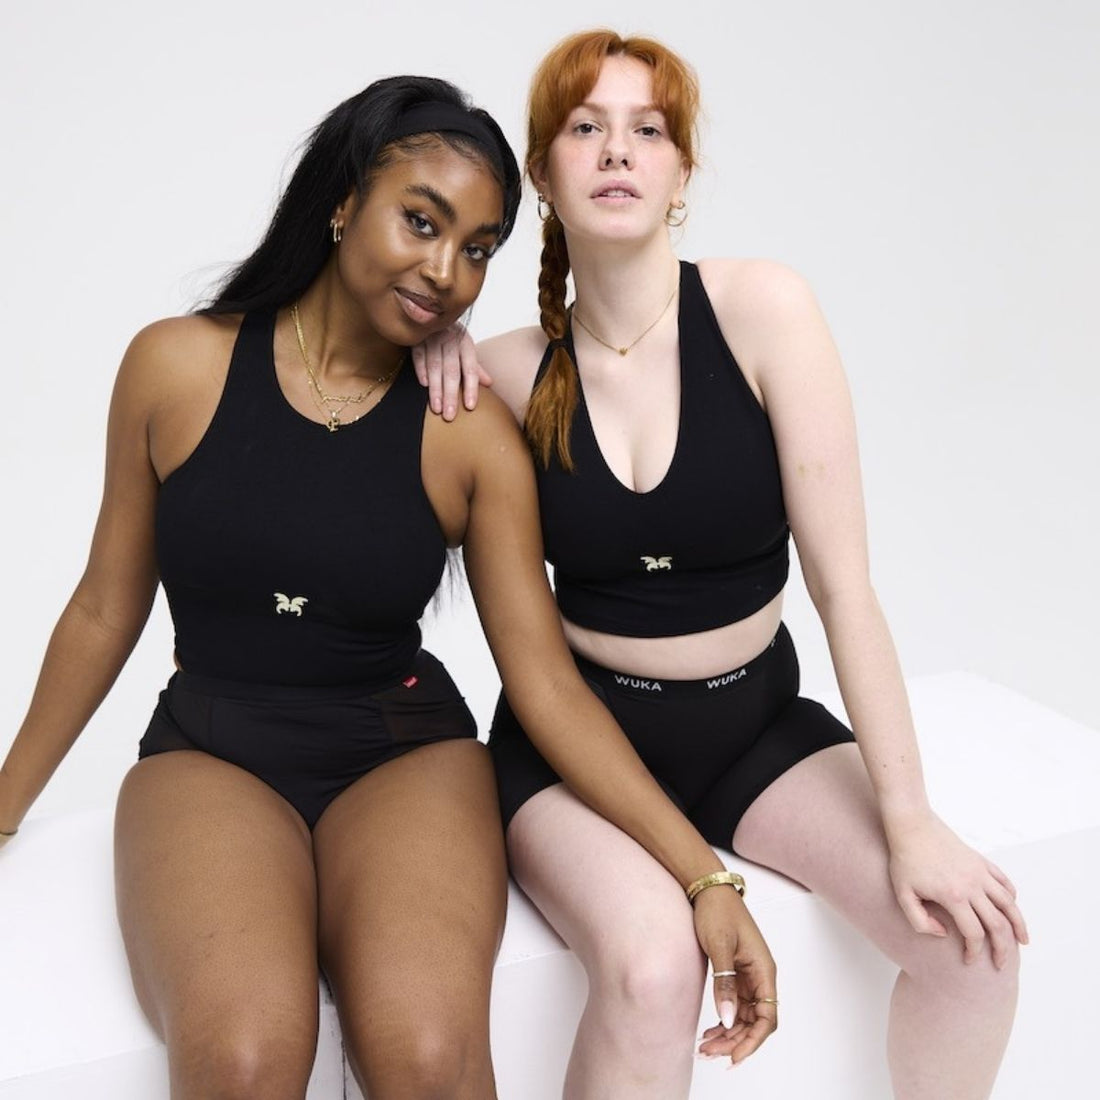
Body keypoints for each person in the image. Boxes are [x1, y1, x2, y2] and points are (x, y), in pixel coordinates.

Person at [0, 73, 780, 1100]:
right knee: (241, 1062)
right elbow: (105, 607)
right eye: (421, 221)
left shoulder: (467, 434)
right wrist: (5, 805)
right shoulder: (174, 369)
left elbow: (545, 687)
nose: (445, 270)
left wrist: (703, 875)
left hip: (403, 759)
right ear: (340, 202)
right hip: (213, 752)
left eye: (476, 248)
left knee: (424, 1061)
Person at [415, 30, 1029, 1100]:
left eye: (646, 131)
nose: (617, 152)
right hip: (577, 756)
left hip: (751, 727)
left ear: (681, 172)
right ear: (544, 177)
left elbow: (844, 589)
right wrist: (427, 343)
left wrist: (908, 817)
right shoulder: (509, 371)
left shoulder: (763, 312)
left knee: (972, 947)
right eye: (585, 129)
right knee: (656, 969)